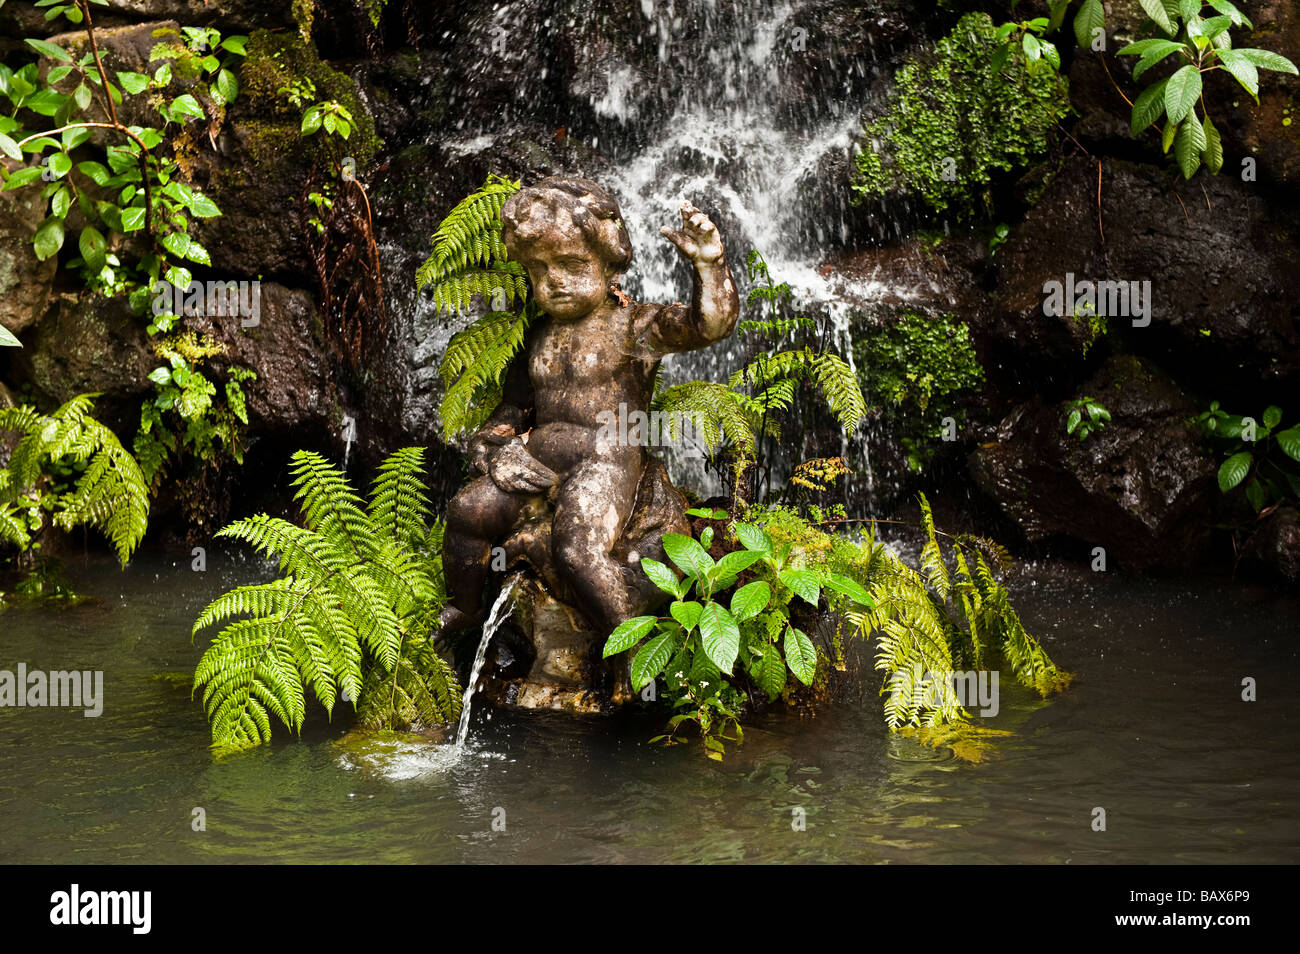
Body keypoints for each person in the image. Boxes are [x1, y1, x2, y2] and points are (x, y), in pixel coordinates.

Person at [439, 177, 740, 636]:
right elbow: (507, 415)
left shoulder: (633, 327)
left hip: (607, 461)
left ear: (608, 265)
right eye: (539, 270)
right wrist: (494, 451)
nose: (554, 281)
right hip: (538, 462)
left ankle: (629, 649)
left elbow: (709, 326)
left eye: (570, 264)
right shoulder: (536, 340)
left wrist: (710, 265)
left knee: (576, 549)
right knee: (466, 511)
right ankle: (466, 610)